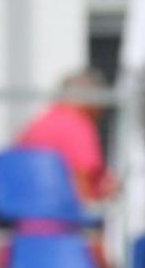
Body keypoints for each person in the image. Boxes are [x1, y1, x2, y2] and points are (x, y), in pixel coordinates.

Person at [15, 69, 117, 206]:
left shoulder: (36, 124)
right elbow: (81, 183)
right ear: (91, 100)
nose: (102, 111)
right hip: (61, 212)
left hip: (21, 210)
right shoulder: (79, 127)